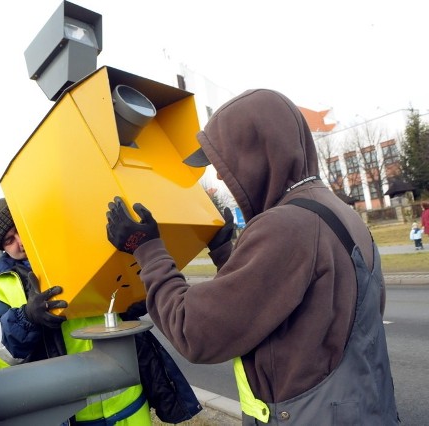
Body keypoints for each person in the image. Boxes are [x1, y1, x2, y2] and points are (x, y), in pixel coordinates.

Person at [105, 89, 399, 424]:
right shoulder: (334, 210)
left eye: (223, 162)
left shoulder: (287, 226)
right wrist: (225, 253)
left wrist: (148, 249)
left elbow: (195, 331)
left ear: (258, 152)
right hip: (363, 408)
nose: (218, 174)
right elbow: (288, 300)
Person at [0, 198, 151, 426]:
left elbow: (123, 293)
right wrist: (26, 319)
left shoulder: (79, 252)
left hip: (129, 406)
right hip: (67, 415)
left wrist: (136, 298)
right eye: (9, 240)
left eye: (20, 229)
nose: (20, 242)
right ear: (2, 249)